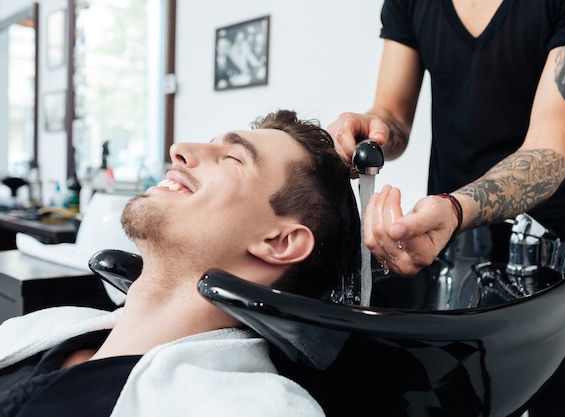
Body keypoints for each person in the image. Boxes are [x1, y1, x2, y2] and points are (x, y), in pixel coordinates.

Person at [326, 1, 565, 416]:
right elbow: (393, 114)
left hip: (563, 269)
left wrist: (454, 209)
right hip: (456, 265)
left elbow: (549, 153)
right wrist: (371, 131)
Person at [0, 110, 360, 416]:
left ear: (279, 243)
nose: (179, 150)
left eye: (233, 157)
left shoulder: (253, 408)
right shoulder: (34, 332)